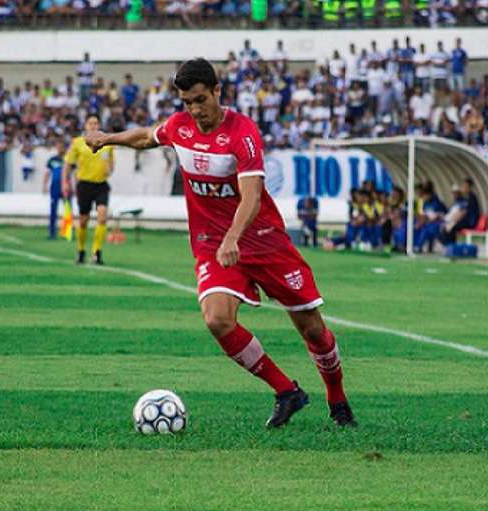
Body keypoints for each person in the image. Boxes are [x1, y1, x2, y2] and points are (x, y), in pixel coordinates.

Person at [84, 58, 355, 429]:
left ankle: (338, 400)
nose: (195, 110)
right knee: (217, 319)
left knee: (311, 328)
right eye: (187, 103)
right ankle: (286, 391)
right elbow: (148, 137)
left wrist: (233, 237)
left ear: (217, 92)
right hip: (213, 244)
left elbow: (252, 197)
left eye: (200, 100)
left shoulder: (242, 133)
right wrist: (107, 139)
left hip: (262, 241)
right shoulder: (180, 127)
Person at [62, 114, 114, 265]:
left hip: (101, 185)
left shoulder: (107, 144)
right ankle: (81, 250)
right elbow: (67, 163)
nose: (93, 126)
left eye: (96, 123)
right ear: (85, 126)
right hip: (84, 185)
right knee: (83, 221)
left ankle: (97, 252)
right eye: (90, 123)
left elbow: (111, 165)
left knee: (102, 215)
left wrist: (109, 169)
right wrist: (65, 182)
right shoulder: (78, 143)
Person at [43, 140, 66, 240]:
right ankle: (52, 233)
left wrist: (77, 186)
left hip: (66, 187)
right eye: (59, 147)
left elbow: (75, 174)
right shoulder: (52, 160)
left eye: (62, 147)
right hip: (55, 187)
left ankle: (67, 233)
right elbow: (47, 173)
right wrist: (44, 185)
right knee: (53, 210)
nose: (60, 149)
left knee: (67, 211)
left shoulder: (69, 159)